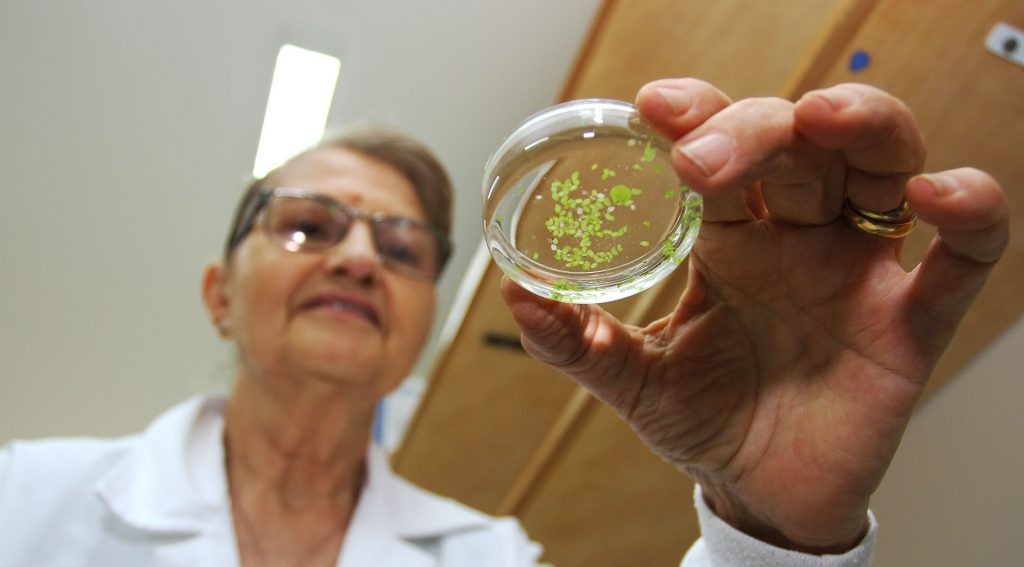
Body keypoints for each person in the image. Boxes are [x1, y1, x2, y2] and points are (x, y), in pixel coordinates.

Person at [0, 78, 1008, 566]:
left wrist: (776, 532)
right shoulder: (21, 499)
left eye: (400, 247)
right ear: (220, 291)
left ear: (422, 318)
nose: (360, 255)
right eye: (312, 228)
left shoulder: (491, 557)